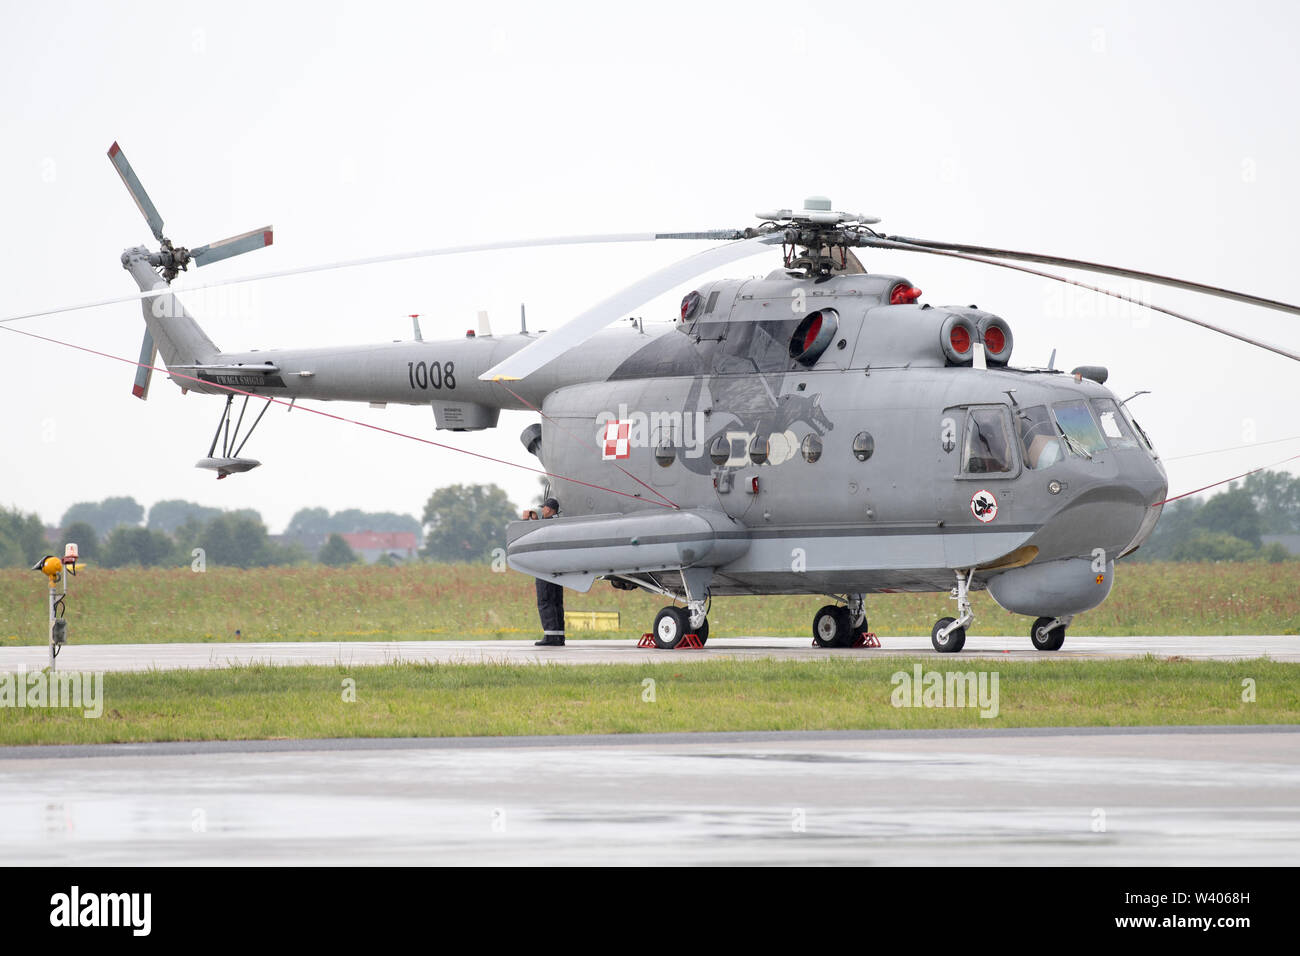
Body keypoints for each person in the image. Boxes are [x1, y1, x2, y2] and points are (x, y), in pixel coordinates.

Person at [524, 497, 565, 646]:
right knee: (556, 602)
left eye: (544, 508)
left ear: (549, 509)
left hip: (545, 567)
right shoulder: (557, 522)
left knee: (545, 601)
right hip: (557, 568)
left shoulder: (549, 524)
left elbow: (535, 537)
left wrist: (526, 522)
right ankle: (558, 636)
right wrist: (536, 520)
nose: (542, 510)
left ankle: (551, 636)